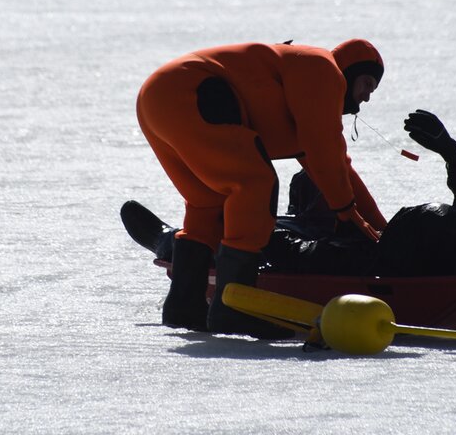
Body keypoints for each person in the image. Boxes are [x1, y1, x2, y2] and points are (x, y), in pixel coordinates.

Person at [135, 39, 387, 338]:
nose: (366, 97)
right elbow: (324, 151)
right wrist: (346, 213)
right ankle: (233, 309)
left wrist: (380, 229)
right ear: (349, 71)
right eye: (366, 84)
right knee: (255, 184)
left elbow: (335, 167)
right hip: (191, 89)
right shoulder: (323, 70)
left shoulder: (304, 85)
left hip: (156, 97)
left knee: (208, 203)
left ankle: (184, 306)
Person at [123, 109, 456, 292]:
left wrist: (240, 216)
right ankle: (300, 212)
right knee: (316, 179)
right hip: (330, 231)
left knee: (232, 232)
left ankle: (167, 239)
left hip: (307, 242)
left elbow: (288, 251)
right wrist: (450, 152)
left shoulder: (363, 264)